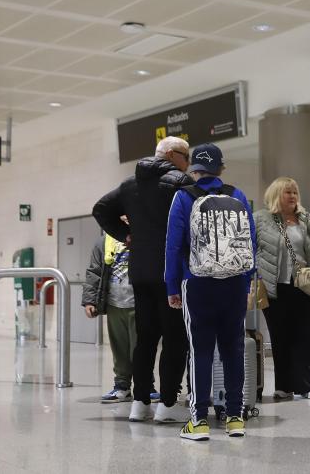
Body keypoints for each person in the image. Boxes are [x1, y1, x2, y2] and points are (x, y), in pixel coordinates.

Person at [93, 136, 192, 423]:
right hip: (171, 273)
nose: (188, 164)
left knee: (145, 338)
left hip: (140, 272)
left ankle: (140, 403)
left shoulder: (129, 184)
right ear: (172, 155)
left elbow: (100, 209)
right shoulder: (180, 183)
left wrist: (126, 235)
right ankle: (168, 404)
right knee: (174, 338)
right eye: (186, 157)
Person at [165, 143, 256, 441]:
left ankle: (199, 421)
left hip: (197, 283)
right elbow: (251, 242)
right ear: (221, 169)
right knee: (233, 350)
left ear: (194, 170)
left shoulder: (183, 197)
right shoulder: (237, 195)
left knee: (200, 351)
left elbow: (173, 245)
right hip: (234, 283)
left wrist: (172, 285)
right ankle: (235, 419)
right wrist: (246, 282)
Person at [254, 177, 310, 401]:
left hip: (303, 286)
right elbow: (251, 250)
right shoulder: (260, 219)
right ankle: (284, 386)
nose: (292, 196)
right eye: (287, 192)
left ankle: (309, 386)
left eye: (295, 192)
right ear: (276, 194)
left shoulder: (305, 219)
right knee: (279, 336)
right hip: (273, 287)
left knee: (304, 335)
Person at [81, 231, 160, 404]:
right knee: (119, 348)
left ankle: (146, 385)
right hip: (114, 303)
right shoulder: (104, 242)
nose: (124, 218)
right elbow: (94, 272)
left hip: (139, 303)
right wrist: (89, 301)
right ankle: (122, 385)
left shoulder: (144, 236)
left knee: (141, 347)